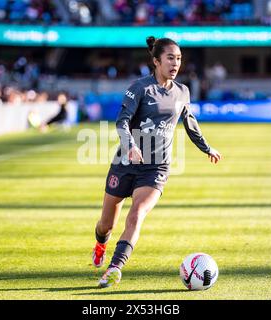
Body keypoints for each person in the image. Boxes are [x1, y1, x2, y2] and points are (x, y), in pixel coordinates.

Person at [92, 36, 222, 288]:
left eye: (179, 59)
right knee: (105, 224)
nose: (175, 63)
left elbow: (190, 123)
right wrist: (130, 146)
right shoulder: (139, 87)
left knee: (137, 214)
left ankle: (114, 268)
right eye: (170, 58)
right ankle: (100, 244)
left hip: (156, 167)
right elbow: (122, 121)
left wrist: (207, 147)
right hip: (125, 162)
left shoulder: (183, 91)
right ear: (156, 61)